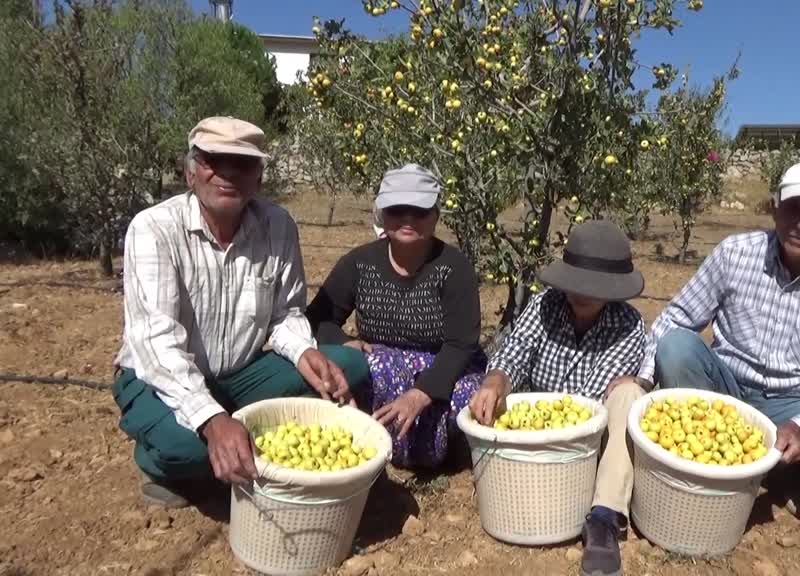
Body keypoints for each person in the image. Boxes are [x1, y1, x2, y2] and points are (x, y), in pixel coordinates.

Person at [113, 117, 369, 508]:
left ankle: (232, 432)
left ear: (259, 177)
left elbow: (285, 314)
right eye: (214, 160)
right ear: (190, 172)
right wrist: (212, 420)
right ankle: (159, 464)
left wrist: (304, 352)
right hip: (156, 375)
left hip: (240, 372)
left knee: (347, 368)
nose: (228, 172)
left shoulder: (278, 226)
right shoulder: (154, 230)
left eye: (244, 163)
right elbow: (157, 346)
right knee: (188, 447)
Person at [642, 158, 800, 518]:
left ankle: (784, 472)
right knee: (676, 347)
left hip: (796, 402)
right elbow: (676, 318)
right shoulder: (735, 253)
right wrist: (643, 378)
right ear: (774, 208)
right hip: (725, 389)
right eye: (793, 208)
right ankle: (708, 470)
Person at [470, 220, 647, 576]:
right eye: (575, 283)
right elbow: (514, 354)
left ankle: (604, 518)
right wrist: (495, 382)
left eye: (593, 287)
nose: (580, 293)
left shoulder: (628, 326)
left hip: (591, 445)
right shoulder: (543, 305)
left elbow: (589, 405)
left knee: (628, 393)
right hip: (534, 432)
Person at [306, 164, 485, 469]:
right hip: (384, 365)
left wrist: (420, 394)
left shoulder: (454, 268)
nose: (408, 219)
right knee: (357, 369)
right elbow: (317, 318)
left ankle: (438, 449)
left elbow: (460, 344)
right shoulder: (360, 263)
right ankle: (380, 443)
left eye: (419, 211)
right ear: (382, 213)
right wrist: (343, 341)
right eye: (397, 209)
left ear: (436, 215)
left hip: (443, 367)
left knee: (470, 396)